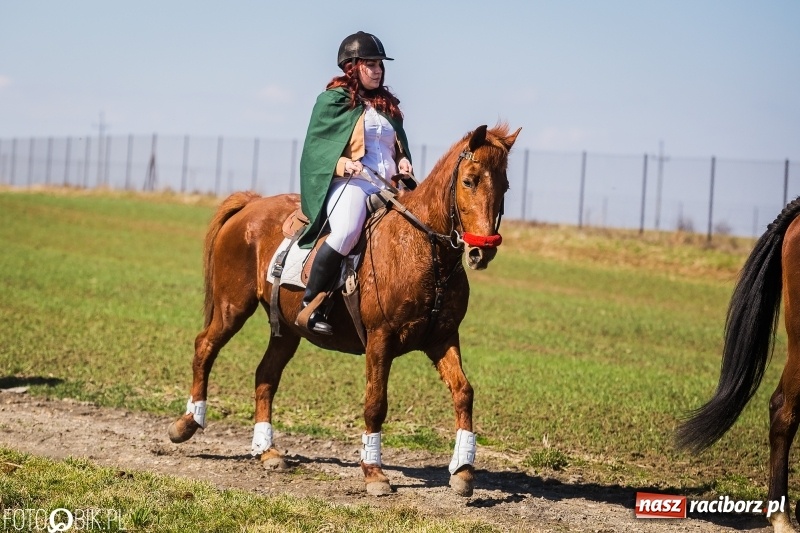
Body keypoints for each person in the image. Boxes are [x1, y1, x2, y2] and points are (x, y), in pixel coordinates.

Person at [296, 31, 413, 336]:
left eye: (380, 65)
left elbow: (395, 144)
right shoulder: (332, 100)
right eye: (370, 64)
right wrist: (342, 164)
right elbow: (315, 152)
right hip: (352, 183)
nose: (377, 70)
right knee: (347, 231)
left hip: (389, 186)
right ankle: (310, 304)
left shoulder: (387, 105)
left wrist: (403, 159)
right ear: (352, 66)